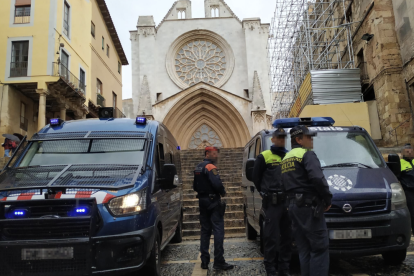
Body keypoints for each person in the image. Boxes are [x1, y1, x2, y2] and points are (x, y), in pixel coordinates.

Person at [281, 125, 332, 276]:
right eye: (308, 137)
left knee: (304, 249)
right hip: (309, 207)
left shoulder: (286, 158)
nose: (312, 140)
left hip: (293, 207)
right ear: (298, 139)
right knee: (319, 248)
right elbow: (317, 178)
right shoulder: (307, 154)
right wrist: (327, 199)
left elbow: (282, 184)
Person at [253, 128, 292, 276]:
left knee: (287, 238)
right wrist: (265, 193)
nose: (281, 140)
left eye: (283, 138)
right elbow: (256, 178)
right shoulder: (264, 156)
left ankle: (284, 268)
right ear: (273, 139)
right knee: (270, 238)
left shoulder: (289, 156)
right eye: (279, 138)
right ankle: (270, 269)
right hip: (272, 204)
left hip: (287, 203)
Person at [193, 146, 234, 271]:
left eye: (216, 153)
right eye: (214, 153)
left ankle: (204, 261)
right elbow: (217, 184)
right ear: (207, 154)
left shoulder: (198, 167)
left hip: (202, 201)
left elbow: (195, 186)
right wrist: (223, 192)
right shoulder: (210, 167)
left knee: (205, 232)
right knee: (218, 231)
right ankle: (219, 262)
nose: (216, 156)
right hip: (213, 202)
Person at [399, 143, 414, 235]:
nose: (409, 153)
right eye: (407, 151)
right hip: (409, 190)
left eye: (411, 151)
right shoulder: (400, 163)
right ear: (402, 153)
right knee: (412, 211)